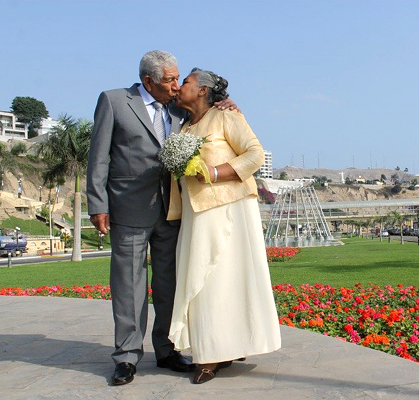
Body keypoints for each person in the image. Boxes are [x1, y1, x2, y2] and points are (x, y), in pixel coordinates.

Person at [86, 51, 236, 385]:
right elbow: (98, 157)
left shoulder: (176, 108)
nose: (175, 86)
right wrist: (98, 204)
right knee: (129, 285)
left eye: (178, 78)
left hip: (172, 210)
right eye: (170, 80)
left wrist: (228, 103)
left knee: (168, 283)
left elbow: (206, 104)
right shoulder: (113, 102)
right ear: (149, 81)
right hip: (128, 209)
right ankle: (126, 357)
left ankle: (167, 350)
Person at [167, 68, 281, 384]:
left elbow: (255, 154)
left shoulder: (225, 116)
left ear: (203, 90)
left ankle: (210, 357)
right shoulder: (184, 126)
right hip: (195, 213)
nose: (178, 87)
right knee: (199, 280)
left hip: (229, 209)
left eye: (185, 82)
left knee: (222, 281)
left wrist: (215, 173)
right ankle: (213, 347)